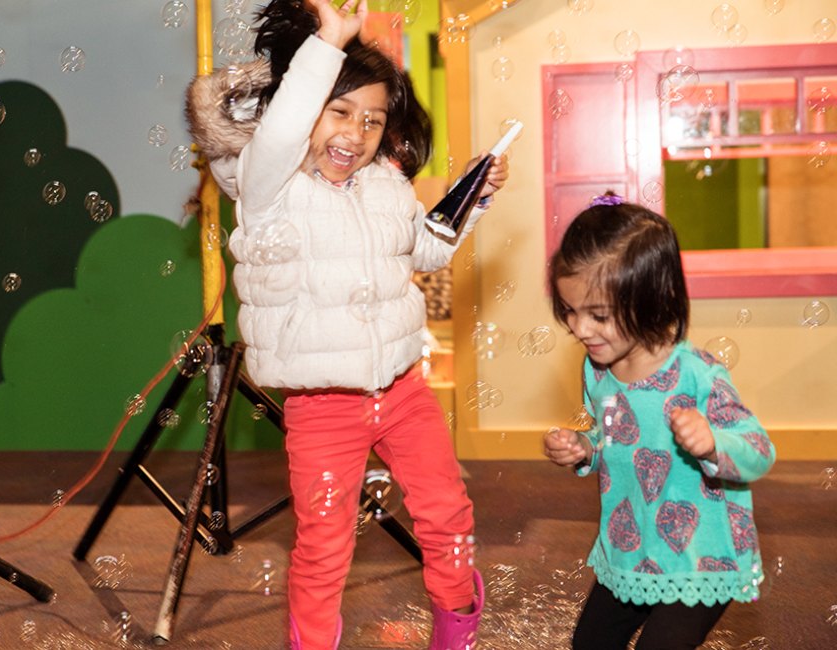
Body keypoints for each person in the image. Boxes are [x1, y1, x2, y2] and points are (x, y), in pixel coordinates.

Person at [186, 1, 509, 648]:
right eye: (339, 112)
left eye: (372, 120)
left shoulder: (384, 184)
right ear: (303, 111)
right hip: (323, 407)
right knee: (325, 543)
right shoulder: (267, 187)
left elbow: (428, 249)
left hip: (403, 392)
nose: (355, 134)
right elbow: (277, 137)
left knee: (448, 512)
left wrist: (475, 196)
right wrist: (329, 40)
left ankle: (456, 633)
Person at [543, 193, 776, 650]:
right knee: (588, 644)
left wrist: (712, 445)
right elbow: (610, 434)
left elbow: (759, 450)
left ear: (653, 299)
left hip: (699, 557)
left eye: (599, 315)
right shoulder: (598, 369)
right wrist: (585, 448)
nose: (580, 329)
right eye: (570, 311)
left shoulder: (696, 373)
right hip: (631, 549)